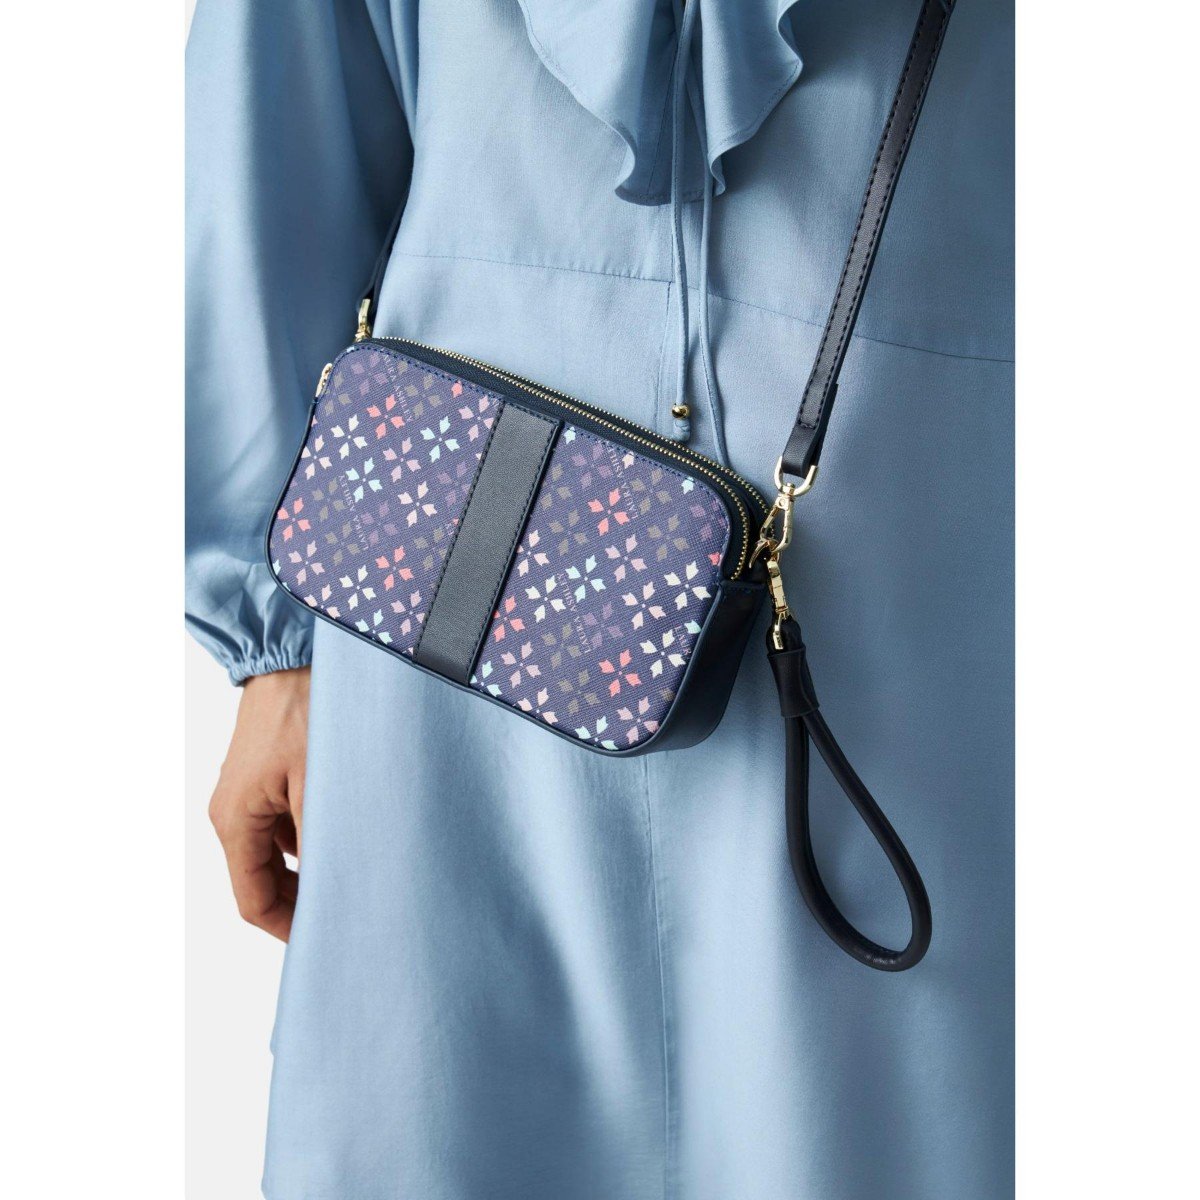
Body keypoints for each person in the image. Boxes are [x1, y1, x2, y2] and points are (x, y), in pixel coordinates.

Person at [186, 1, 1013, 1196]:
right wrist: (272, 649)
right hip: (444, 599)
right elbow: (268, 151)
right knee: (451, 1114)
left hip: (909, 596)